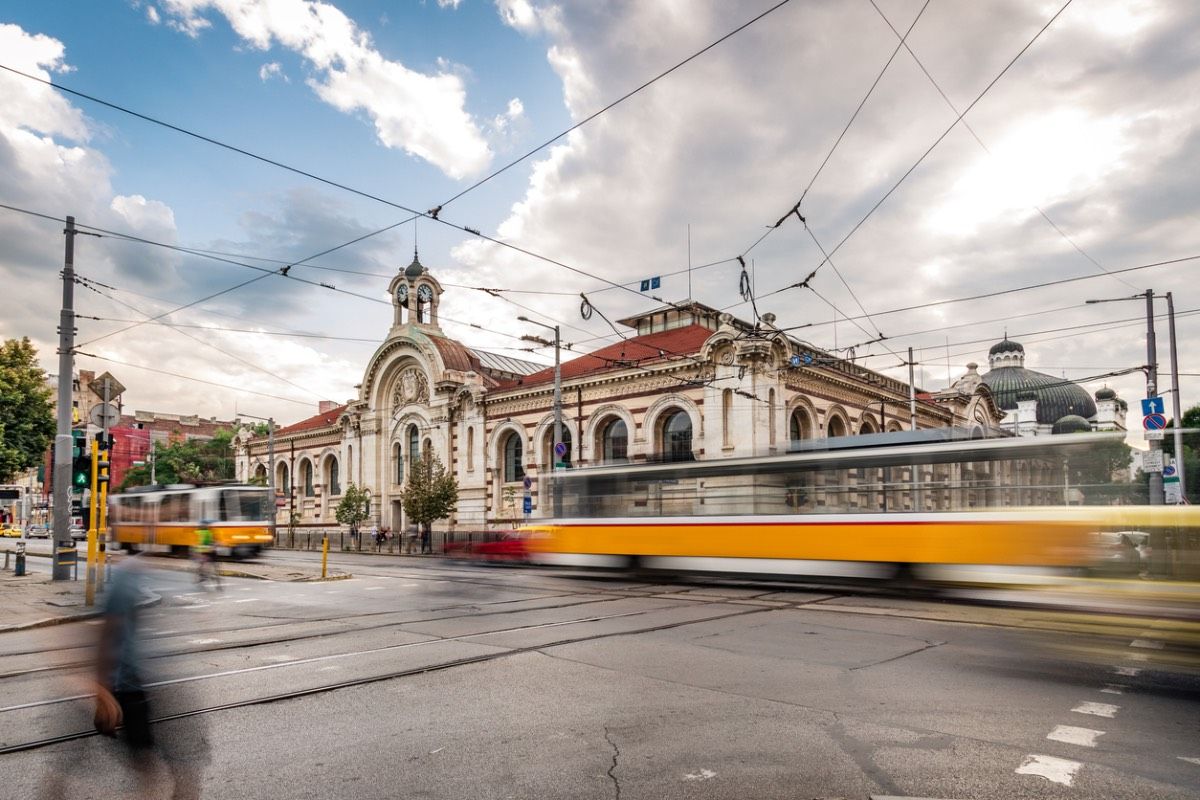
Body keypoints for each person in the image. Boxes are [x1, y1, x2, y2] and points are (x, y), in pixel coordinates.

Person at [192, 520, 220, 591]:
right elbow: (215, 541)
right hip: (209, 550)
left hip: (206, 551)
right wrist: (215, 545)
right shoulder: (210, 532)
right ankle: (208, 576)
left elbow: (196, 543)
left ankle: (203, 575)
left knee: (204, 563)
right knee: (212, 565)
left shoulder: (199, 532)